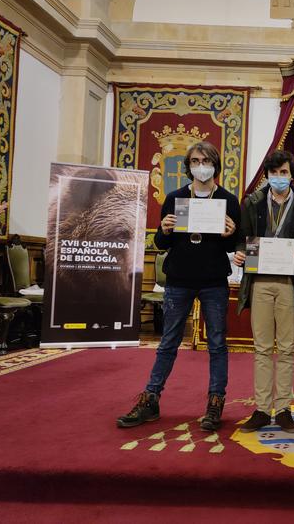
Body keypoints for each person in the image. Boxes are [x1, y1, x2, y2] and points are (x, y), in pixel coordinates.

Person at [117, 141, 241, 432]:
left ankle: (215, 401)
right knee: (168, 342)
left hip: (213, 281)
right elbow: (161, 245)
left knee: (217, 343)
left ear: (215, 164)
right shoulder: (173, 198)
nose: (201, 165)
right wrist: (163, 230)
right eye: (195, 160)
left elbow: (236, 246)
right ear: (189, 167)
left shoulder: (228, 200)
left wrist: (231, 234)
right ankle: (151, 399)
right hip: (178, 280)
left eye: (206, 160)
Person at [233, 150, 294, 433]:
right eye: (274, 173)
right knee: (261, 348)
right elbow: (242, 240)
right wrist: (238, 253)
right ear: (267, 175)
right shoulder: (252, 202)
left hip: (289, 283)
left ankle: (283, 409)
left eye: (284, 172)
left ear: (292, 175)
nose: (279, 178)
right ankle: (261, 409)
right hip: (259, 282)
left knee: (286, 349)